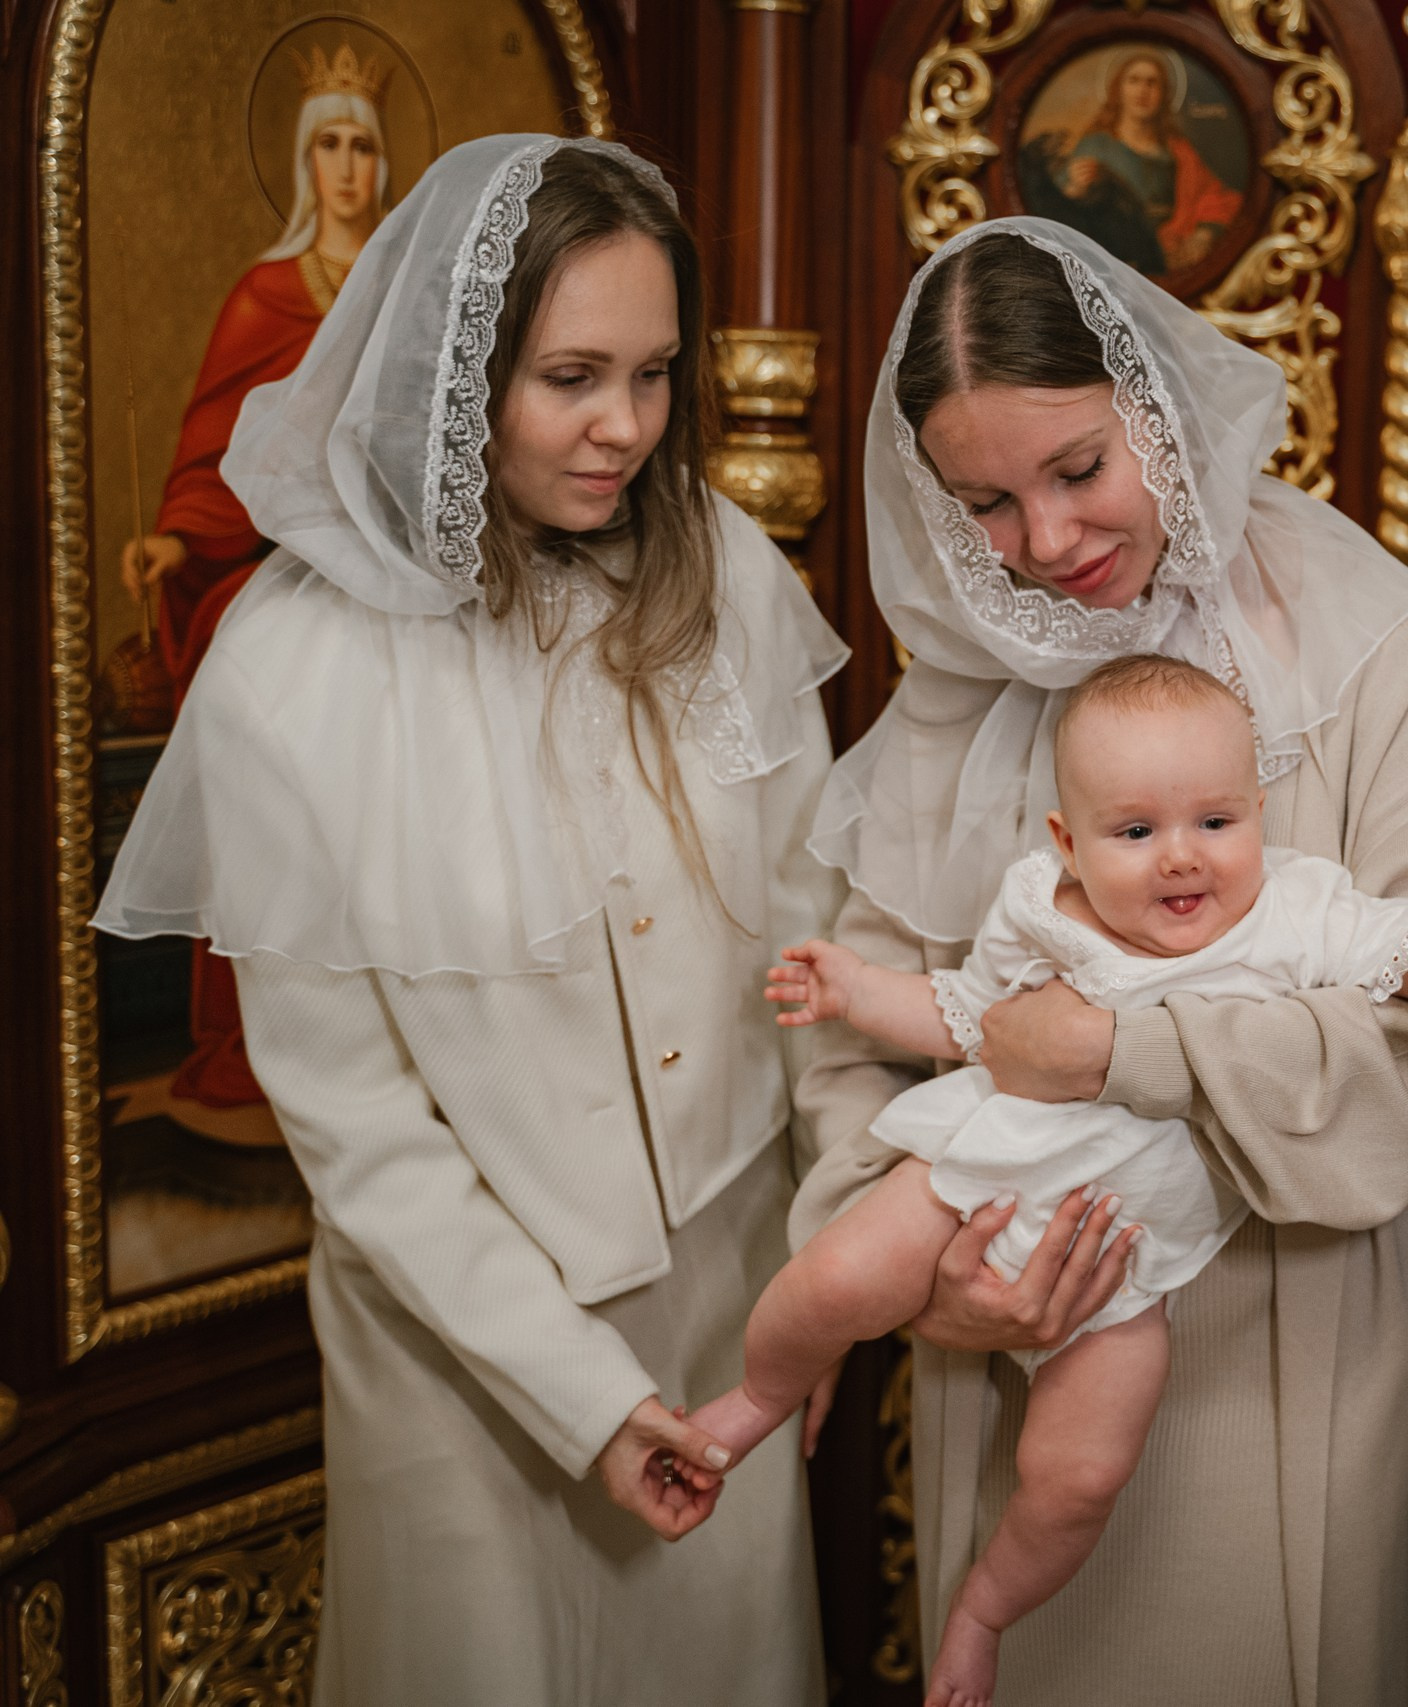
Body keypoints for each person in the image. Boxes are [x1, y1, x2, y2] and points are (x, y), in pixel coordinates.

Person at [92, 135, 843, 1706]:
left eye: (651, 373)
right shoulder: (294, 677)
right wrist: (584, 1395)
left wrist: (826, 1266)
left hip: (735, 1302)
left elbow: (815, 949)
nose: (625, 427)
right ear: (453, 363)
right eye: (570, 375)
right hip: (465, 1359)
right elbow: (356, 1121)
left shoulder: (735, 579)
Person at [791, 215, 1408, 1706]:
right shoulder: (957, 685)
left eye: (1077, 470)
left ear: (1159, 409)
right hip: (1009, 1334)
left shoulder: (1376, 636)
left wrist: (1128, 1051)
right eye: (984, 502)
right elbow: (848, 1033)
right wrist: (934, 1277)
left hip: (1284, 1342)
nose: (1047, 545)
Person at [707, 653, 1408, 1706]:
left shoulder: (1294, 911)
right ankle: (755, 1399)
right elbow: (963, 1016)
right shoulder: (1042, 909)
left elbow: (1404, 950)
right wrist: (857, 993)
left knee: (1078, 1480)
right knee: (834, 1278)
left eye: (1217, 822)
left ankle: (983, 1614)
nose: (1183, 861)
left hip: (1131, 1261)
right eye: (1135, 833)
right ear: (1067, 843)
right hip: (976, 1175)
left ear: (1260, 809)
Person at [115, 42, 395, 1110]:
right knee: (274, 826)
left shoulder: (403, 296)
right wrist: (179, 540)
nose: (346, 166)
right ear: (299, 158)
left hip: (391, 593)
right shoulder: (263, 297)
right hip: (279, 590)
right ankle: (255, 1048)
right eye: (328, 142)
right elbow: (216, 458)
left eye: (363, 144)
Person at [1029, 49, 1243, 276]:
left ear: (1163, 94)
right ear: (1118, 90)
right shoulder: (1096, 146)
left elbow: (1215, 196)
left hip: (1174, 257)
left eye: (1152, 83)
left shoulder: (1178, 150)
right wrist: (1076, 188)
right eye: (1134, 81)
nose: (1143, 91)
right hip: (1118, 259)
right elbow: (1059, 207)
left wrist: (1203, 234)